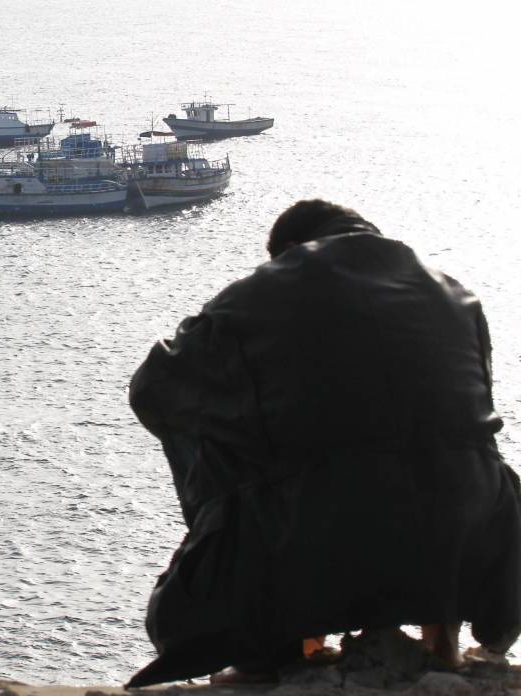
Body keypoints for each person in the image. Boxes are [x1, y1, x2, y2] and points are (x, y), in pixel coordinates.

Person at [126, 199, 521, 687]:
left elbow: (153, 390)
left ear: (290, 249)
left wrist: (234, 457)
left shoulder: (257, 296)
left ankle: (282, 647)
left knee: (228, 435)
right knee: (456, 454)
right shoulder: (456, 295)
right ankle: (442, 637)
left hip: (309, 547)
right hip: (477, 549)